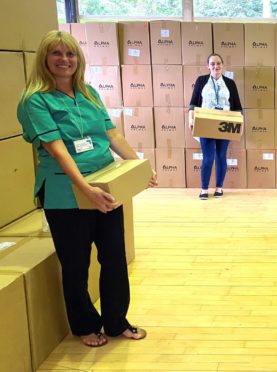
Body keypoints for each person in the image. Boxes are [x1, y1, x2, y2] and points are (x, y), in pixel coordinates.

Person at [16, 31, 157, 347]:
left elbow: (113, 136)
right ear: (45, 58)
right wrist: (85, 189)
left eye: (71, 54)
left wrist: (139, 166)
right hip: (66, 195)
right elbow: (57, 149)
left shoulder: (89, 93)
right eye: (57, 54)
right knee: (77, 264)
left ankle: (117, 322)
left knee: (114, 258)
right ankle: (84, 326)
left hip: (107, 185)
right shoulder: (34, 100)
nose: (65, 60)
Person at [188, 53, 243, 200]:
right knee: (208, 157)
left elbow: (237, 106)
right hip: (205, 123)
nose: (215, 66)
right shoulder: (201, 81)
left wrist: (240, 124)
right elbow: (193, 102)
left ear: (222, 65)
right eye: (212, 64)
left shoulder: (230, 83)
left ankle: (219, 187)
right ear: (208, 66)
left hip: (225, 123)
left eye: (218, 63)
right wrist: (190, 120)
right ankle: (204, 189)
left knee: (220, 156)